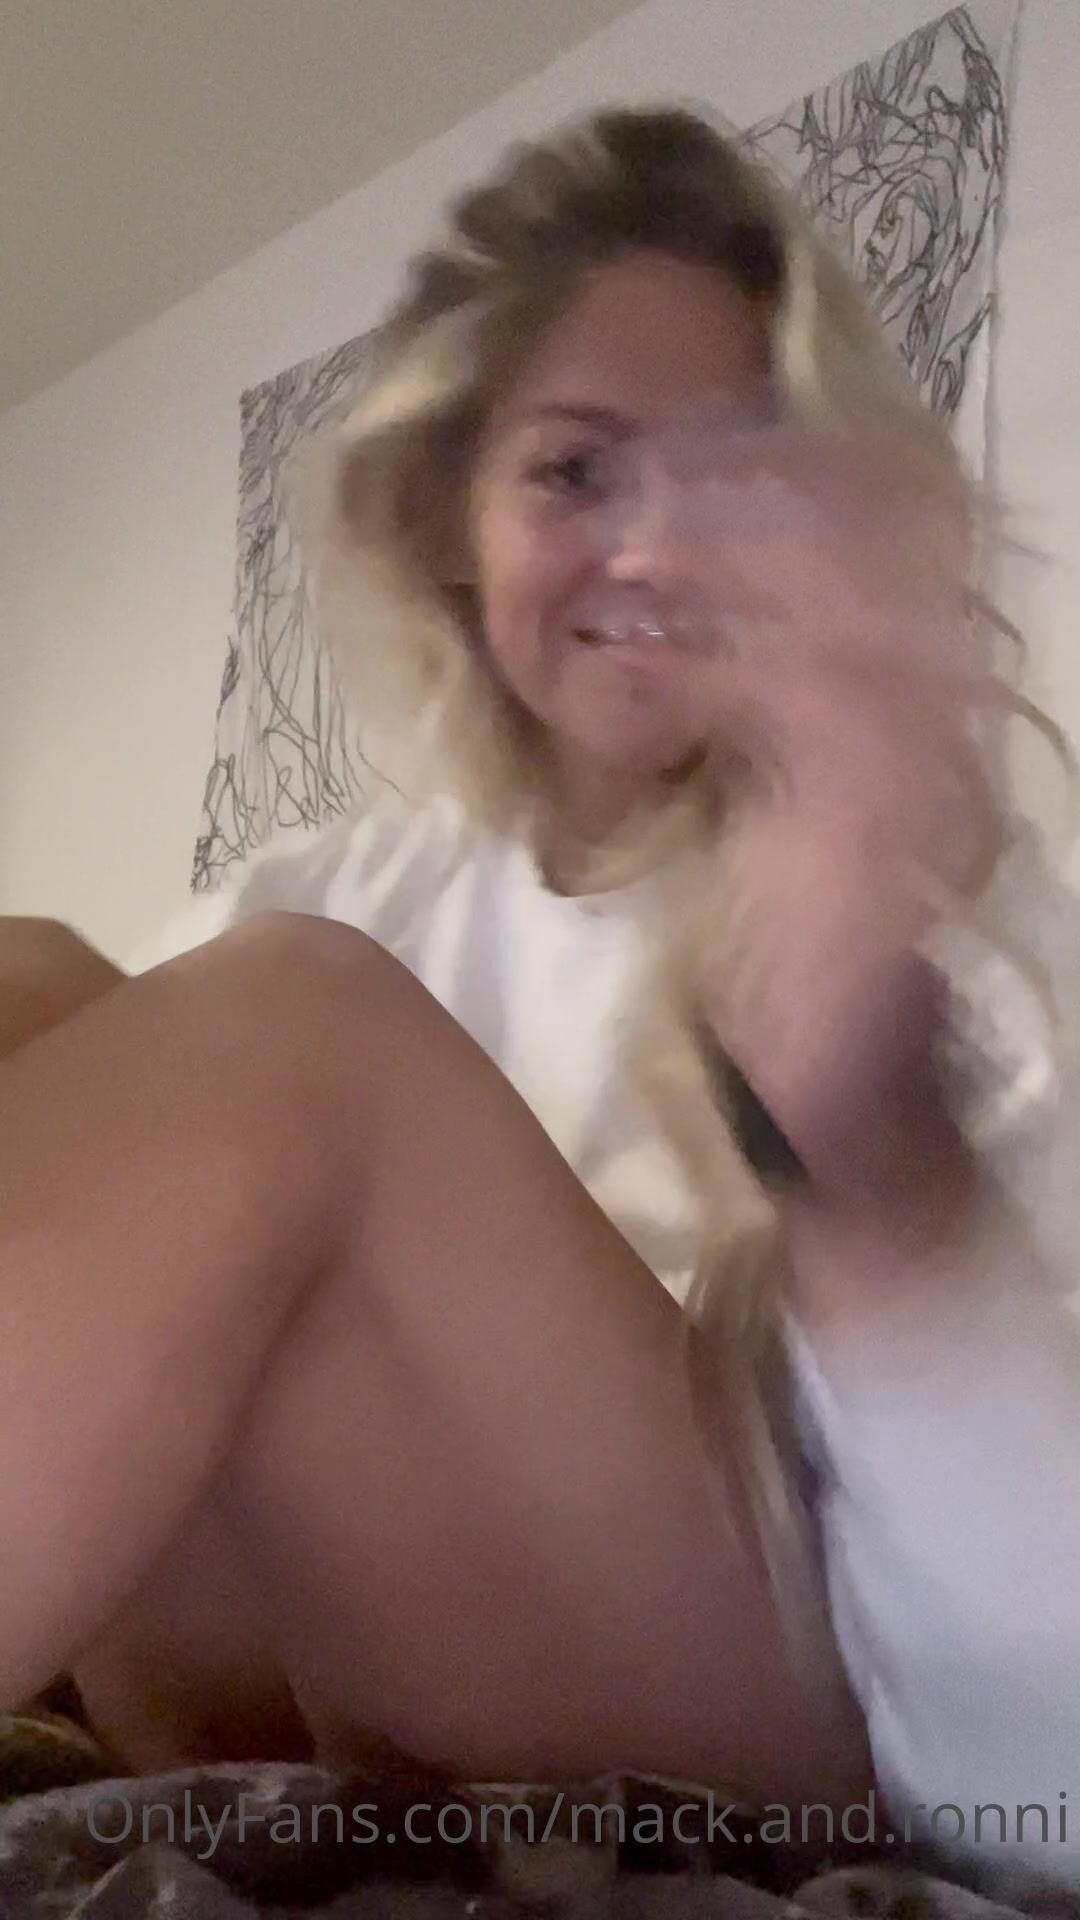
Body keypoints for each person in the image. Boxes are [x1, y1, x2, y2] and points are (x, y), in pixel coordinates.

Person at [2, 107, 1079, 1897]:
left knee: (300, 1032)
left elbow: (1058, 1771)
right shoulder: (354, 887)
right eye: (575, 471)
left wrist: (884, 1182)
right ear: (453, 526)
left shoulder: (953, 920)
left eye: (737, 471)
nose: (653, 550)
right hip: (281, 1692)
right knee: (31, 980)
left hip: (789, 1736)